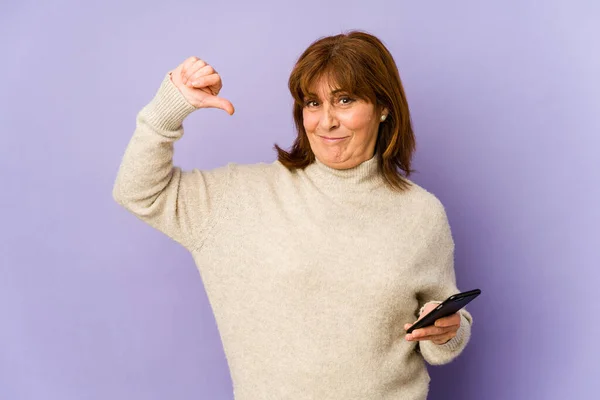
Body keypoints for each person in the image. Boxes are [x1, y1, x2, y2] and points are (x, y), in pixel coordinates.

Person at [113, 30, 473, 400]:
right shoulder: (238, 199)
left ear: (383, 107)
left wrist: (449, 329)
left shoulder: (421, 213)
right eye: (312, 103)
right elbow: (139, 192)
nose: (325, 121)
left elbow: (443, 330)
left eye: (344, 100)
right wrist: (167, 109)